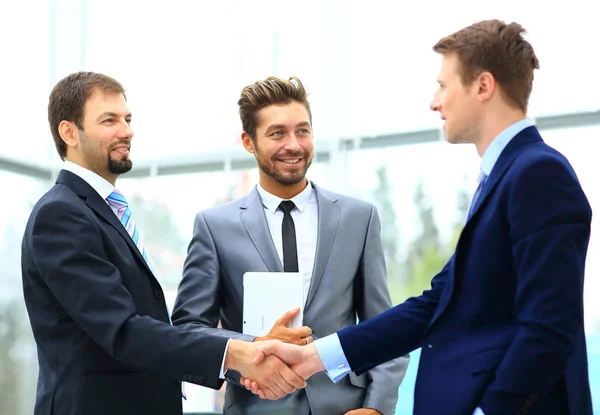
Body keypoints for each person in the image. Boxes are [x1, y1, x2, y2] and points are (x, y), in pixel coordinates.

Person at [245, 20, 594, 415]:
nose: (434, 101)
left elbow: (549, 328)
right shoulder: (505, 177)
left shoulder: (538, 174)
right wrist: (313, 359)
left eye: (444, 86)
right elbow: (435, 304)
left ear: (483, 87)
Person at [21, 71, 304, 415]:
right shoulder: (61, 215)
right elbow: (123, 330)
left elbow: (149, 325)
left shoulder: (101, 210)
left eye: (127, 119)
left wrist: (253, 347)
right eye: (109, 120)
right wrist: (239, 352)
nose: (126, 130)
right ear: (70, 133)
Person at [172, 76, 408, 415]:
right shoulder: (215, 227)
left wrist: (376, 407)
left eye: (303, 130)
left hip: (346, 409)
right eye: (277, 133)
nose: (294, 144)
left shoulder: (359, 218)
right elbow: (188, 331)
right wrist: (252, 349)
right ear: (248, 141)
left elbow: (384, 327)